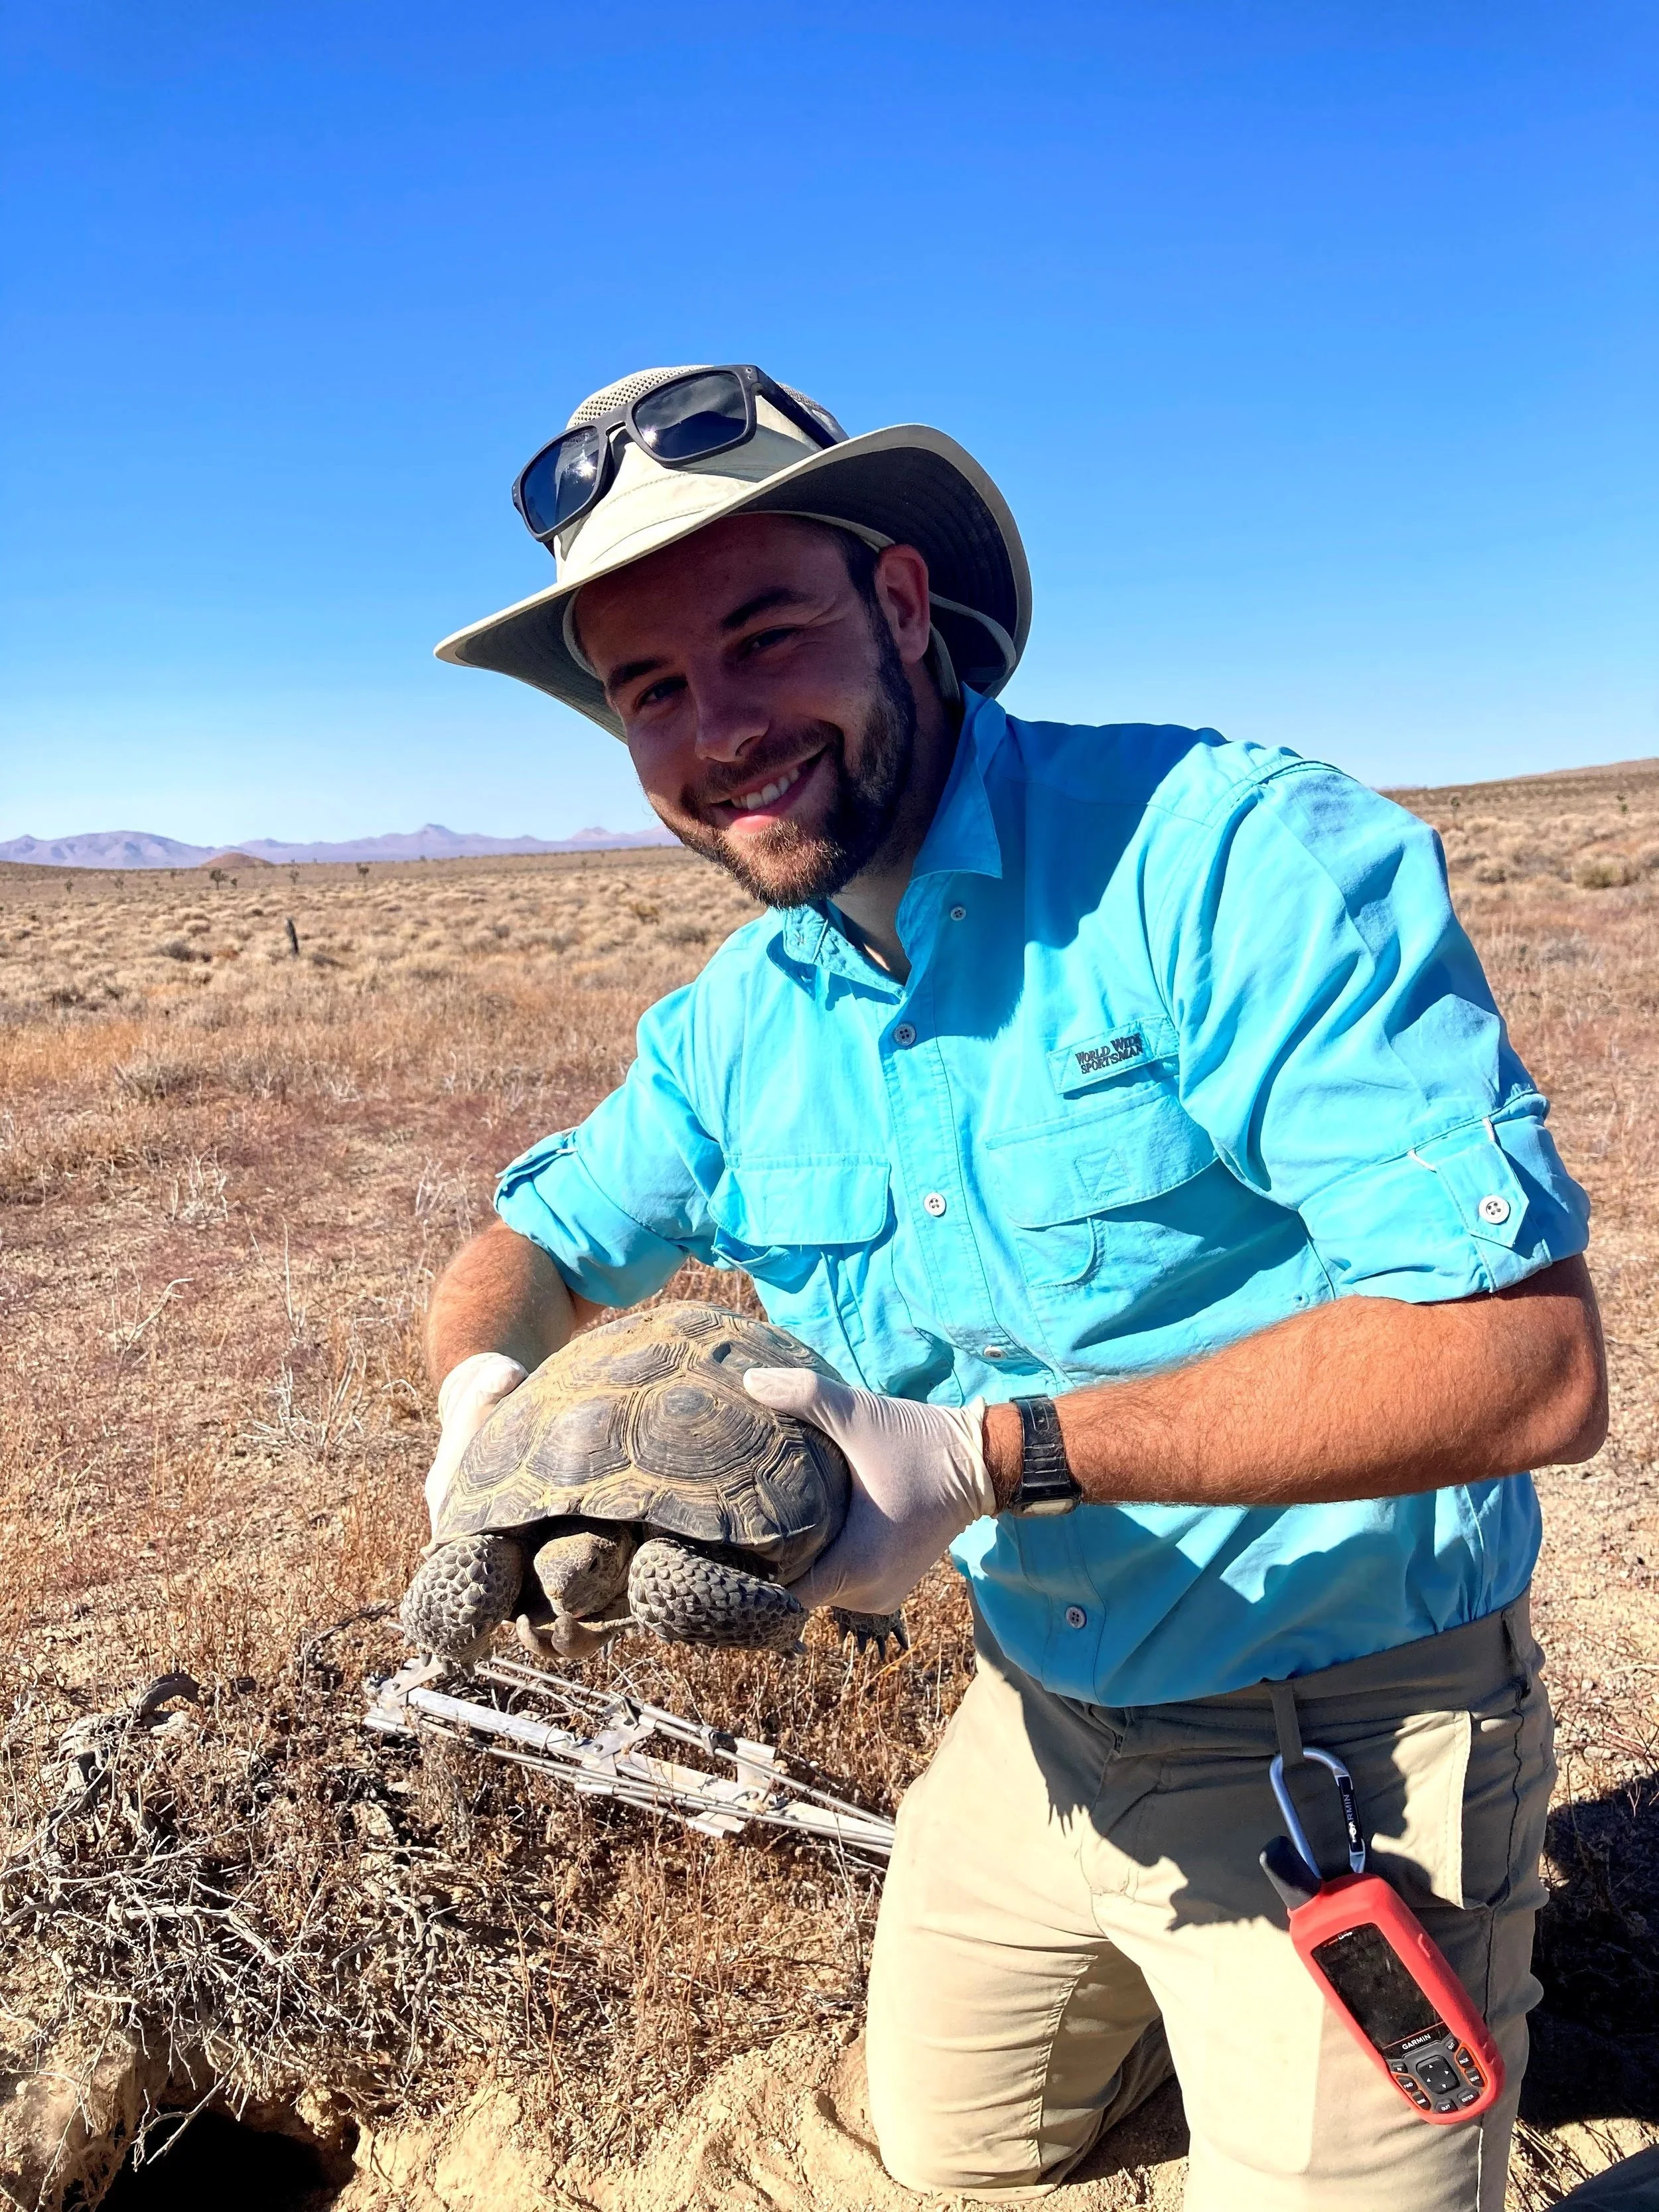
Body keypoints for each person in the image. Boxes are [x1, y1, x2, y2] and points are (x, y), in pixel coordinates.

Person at [425, 364, 1608, 2211]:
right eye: (650, 688)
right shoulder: (738, 1021)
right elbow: (536, 1245)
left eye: (764, 635)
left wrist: (988, 1462)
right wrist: (477, 1399)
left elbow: (1525, 1361)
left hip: (1338, 1733)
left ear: (902, 604)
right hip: (1036, 1714)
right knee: (957, 2145)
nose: (719, 726)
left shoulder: (1222, 858)